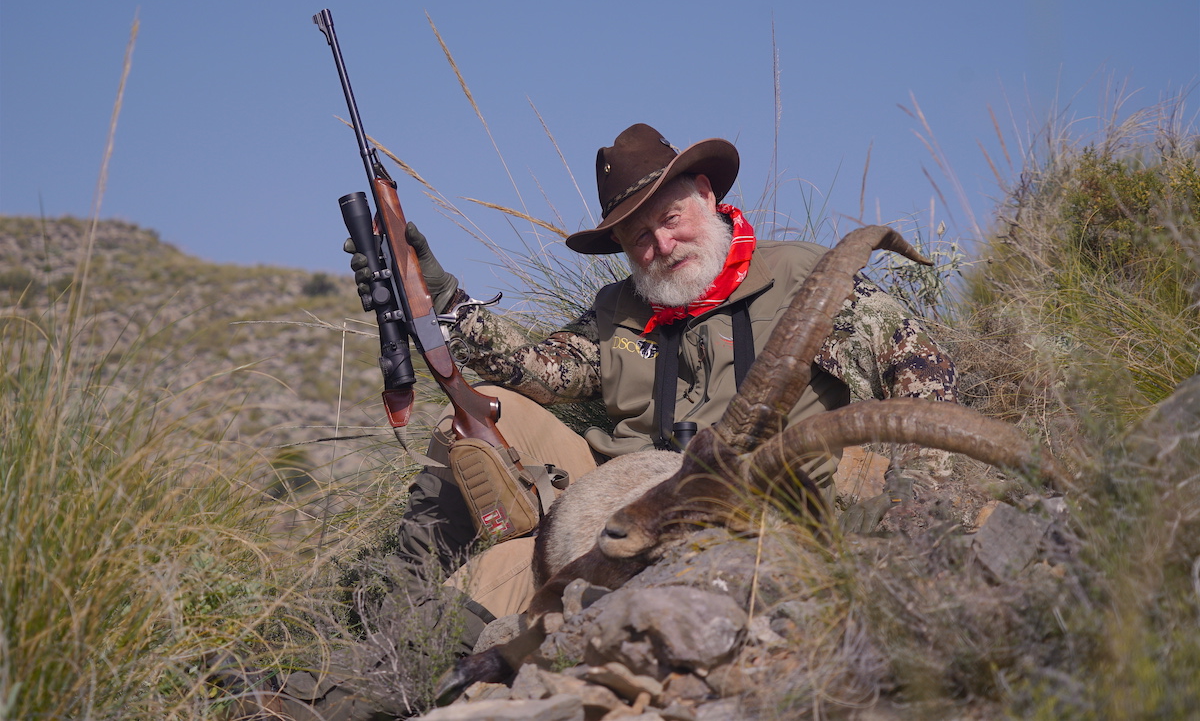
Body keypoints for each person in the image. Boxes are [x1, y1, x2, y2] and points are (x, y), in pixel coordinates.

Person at [230, 123, 958, 720]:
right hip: (610, 514)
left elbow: (924, 379)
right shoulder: (621, 312)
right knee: (492, 411)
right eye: (637, 237)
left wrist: (912, 518)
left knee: (498, 581)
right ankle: (368, 618)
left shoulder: (809, 279)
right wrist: (432, 288)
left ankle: (337, 694)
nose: (659, 246)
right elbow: (531, 368)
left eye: (669, 220)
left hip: (746, 519)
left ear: (705, 194)